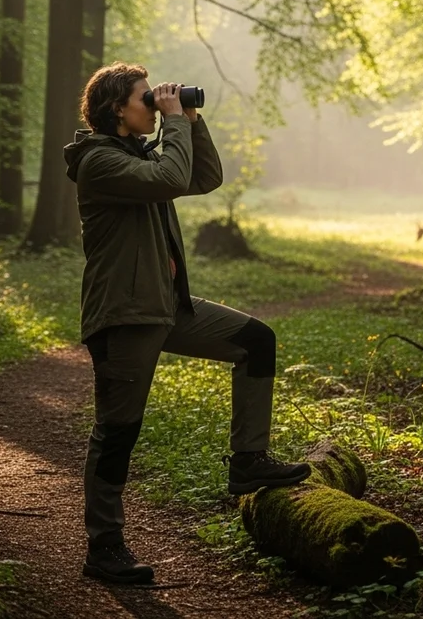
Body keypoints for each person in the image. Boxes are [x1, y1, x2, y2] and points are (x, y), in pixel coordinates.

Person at [64, 62, 310, 584]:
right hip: (125, 316)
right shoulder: (99, 162)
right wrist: (172, 119)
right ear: (117, 109)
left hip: (166, 307)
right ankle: (103, 547)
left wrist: (191, 121)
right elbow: (170, 178)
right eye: (144, 98)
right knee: (118, 433)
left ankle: (249, 460)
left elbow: (202, 176)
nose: (153, 105)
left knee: (255, 342)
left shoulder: (136, 154)